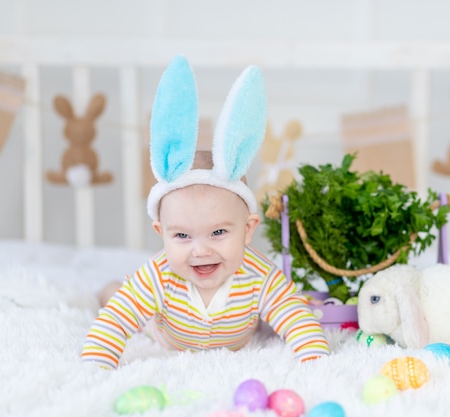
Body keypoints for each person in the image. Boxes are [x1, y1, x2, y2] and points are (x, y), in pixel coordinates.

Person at [81, 56, 330, 370]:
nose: (201, 250)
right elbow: (116, 321)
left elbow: (294, 314)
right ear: (162, 233)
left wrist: (316, 360)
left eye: (218, 232)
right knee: (119, 297)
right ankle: (107, 289)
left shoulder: (260, 275)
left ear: (248, 228)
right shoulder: (158, 276)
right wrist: (95, 366)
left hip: (236, 338)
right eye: (182, 235)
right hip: (164, 335)